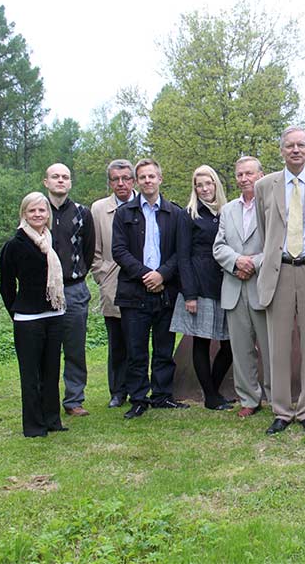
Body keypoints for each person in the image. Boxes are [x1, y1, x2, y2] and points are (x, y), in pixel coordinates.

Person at [255, 126, 305, 434]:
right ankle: (280, 410)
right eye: (289, 145)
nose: (295, 150)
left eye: (301, 145)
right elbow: (265, 232)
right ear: (281, 150)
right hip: (278, 271)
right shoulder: (265, 185)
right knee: (277, 346)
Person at [112, 157, 187, 419]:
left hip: (166, 291)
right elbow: (119, 251)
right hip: (134, 292)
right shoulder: (124, 213)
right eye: (142, 177)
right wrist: (147, 275)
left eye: (151, 176)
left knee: (164, 348)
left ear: (160, 179)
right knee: (136, 350)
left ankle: (162, 395)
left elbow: (181, 252)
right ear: (137, 181)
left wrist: (162, 275)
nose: (147, 181)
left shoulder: (175, 213)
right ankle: (139, 398)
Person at [0, 192, 68, 437]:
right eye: (32, 211)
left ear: (48, 214)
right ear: (24, 214)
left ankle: (52, 420)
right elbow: (6, 287)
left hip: (55, 314)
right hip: (28, 319)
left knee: (51, 371)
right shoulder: (14, 245)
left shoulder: (50, 241)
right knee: (30, 375)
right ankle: (34, 426)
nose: (38, 215)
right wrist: (17, 312)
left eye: (42, 211)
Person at [170, 165, 234, 410]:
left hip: (224, 285)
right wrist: (189, 294)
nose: (205, 189)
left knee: (229, 345)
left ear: (216, 184)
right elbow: (183, 257)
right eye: (199, 185)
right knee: (201, 342)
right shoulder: (188, 215)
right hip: (198, 285)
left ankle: (213, 391)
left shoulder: (226, 212)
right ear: (194, 188)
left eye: (208, 183)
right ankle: (210, 397)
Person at [214, 156, 272, 418]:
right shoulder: (227, 210)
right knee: (241, 349)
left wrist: (255, 263)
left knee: (271, 348)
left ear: (261, 176)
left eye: (249, 173)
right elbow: (218, 246)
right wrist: (237, 261)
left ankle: (274, 397)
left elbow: (276, 244)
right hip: (234, 287)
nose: (244, 178)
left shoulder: (272, 206)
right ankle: (249, 398)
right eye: (240, 174)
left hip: (263, 286)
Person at [43, 163, 95, 417]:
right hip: (42, 292)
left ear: (70, 183)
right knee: (45, 348)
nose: (60, 181)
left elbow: (89, 251)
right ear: (46, 182)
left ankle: (74, 399)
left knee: (74, 348)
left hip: (74, 289)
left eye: (65, 177)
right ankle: (46, 399)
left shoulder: (82, 213)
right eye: (55, 177)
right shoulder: (37, 211)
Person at [90, 159, 136, 408]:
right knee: (117, 341)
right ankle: (118, 391)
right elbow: (93, 250)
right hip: (113, 283)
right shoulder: (98, 209)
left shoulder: (146, 204)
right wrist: (102, 275)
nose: (121, 183)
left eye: (126, 178)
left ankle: (141, 386)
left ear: (133, 180)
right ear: (109, 182)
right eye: (116, 179)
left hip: (144, 283)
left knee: (138, 340)